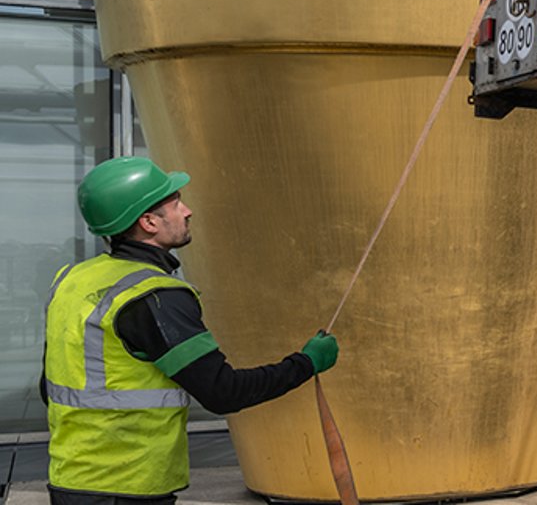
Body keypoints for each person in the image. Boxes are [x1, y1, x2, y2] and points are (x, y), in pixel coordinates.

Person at [43, 158, 338, 505]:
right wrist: (305, 363)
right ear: (149, 222)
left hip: (70, 480)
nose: (188, 211)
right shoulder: (154, 297)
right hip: (126, 489)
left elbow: (49, 387)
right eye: (176, 203)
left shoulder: (72, 280)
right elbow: (222, 393)